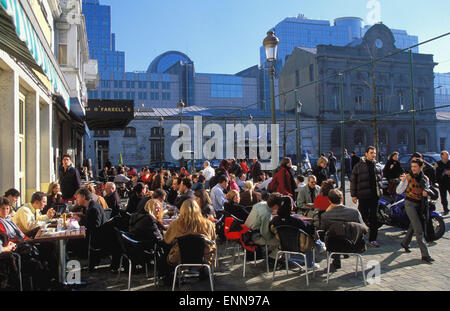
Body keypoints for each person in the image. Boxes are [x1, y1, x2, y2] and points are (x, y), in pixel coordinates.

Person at [162, 199, 216, 277]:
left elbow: (167, 240)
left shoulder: (175, 225)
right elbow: (213, 239)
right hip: (203, 259)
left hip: (179, 259)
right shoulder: (208, 224)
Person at [396, 159, 435, 263]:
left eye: (415, 166)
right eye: (412, 166)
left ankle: (404, 243)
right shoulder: (408, 177)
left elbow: (428, 189)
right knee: (419, 230)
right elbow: (398, 191)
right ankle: (425, 255)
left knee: (413, 226)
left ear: (421, 167)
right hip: (409, 204)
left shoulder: (425, 179)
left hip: (420, 205)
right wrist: (403, 181)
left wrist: (427, 193)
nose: (413, 168)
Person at [320, 189, 368, 270]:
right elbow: (364, 228)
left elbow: (323, 231)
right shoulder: (354, 212)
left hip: (333, 246)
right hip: (354, 244)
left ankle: (336, 260)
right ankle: (344, 254)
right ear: (342, 199)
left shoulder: (325, 215)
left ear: (329, 201)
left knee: (333, 236)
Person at [269, 196, 321, 269]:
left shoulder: (275, 220)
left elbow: (271, 230)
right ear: (291, 207)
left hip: (282, 245)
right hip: (300, 246)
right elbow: (311, 229)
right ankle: (311, 262)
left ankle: (320, 246)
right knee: (310, 238)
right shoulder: (296, 221)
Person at [351, 146, 383, 248]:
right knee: (362, 217)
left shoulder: (377, 165)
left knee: (374, 219)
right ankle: (358, 238)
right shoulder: (359, 166)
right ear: (366, 153)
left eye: (374, 153)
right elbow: (353, 181)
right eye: (371, 153)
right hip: (364, 196)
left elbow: (380, 180)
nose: (373, 154)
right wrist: (353, 195)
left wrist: (381, 191)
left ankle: (373, 239)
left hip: (375, 196)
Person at [244, 192, 282, 261]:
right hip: (254, 237)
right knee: (281, 241)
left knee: (273, 239)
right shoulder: (266, 214)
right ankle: (272, 257)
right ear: (276, 206)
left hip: (246, 232)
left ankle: (269, 253)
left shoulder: (260, 204)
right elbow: (265, 234)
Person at [435, 150, 450, 215]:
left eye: (448, 154)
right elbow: (437, 173)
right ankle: (445, 209)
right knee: (443, 197)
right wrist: (444, 172)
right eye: (446, 154)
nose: (447, 155)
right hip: (442, 183)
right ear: (441, 156)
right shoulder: (438, 163)